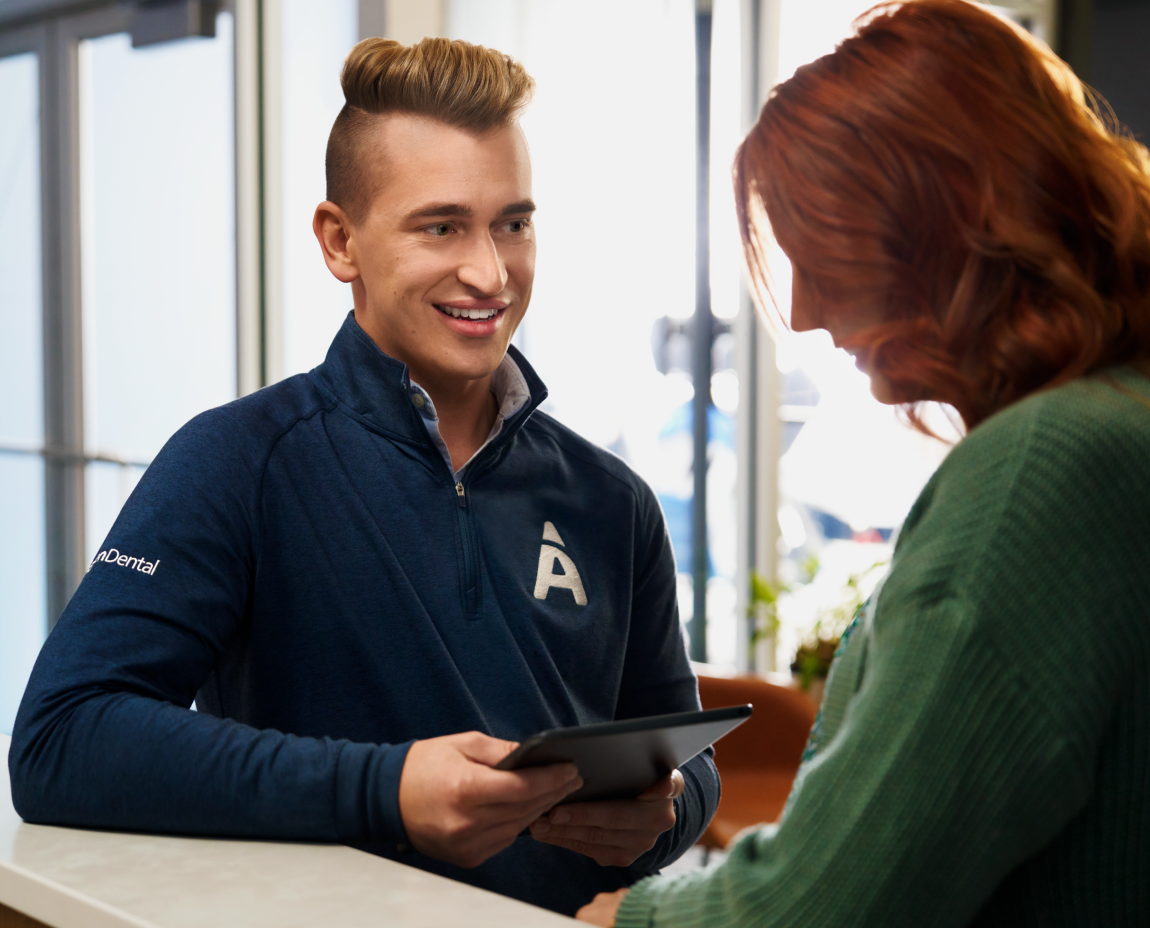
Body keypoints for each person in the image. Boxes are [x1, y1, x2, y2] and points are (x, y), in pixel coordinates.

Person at [8, 37, 718, 917]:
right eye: (441, 225)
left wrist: (670, 812)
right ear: (340, 242)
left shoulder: (613, 501)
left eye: (513, 222)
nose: (491, 273)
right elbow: (62, 739)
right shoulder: (238, 462)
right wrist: (385, 790)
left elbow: (686, 759)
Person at [578, 0, 1150, 925]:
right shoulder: (1122, 415)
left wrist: (623, 920)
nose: (801, 310)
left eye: (824, 246)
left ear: (943, 219)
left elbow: (824, 905)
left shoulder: (1044, 471)